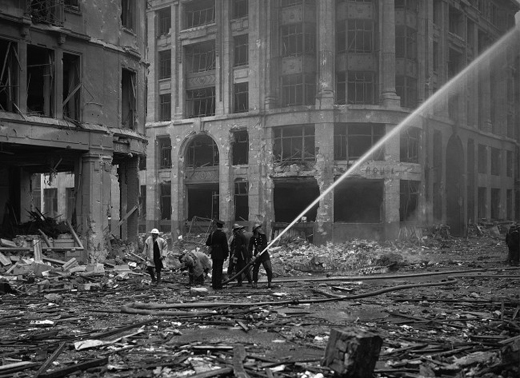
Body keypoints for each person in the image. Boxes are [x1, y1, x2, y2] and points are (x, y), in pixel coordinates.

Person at [205, 220, 229, 290]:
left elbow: (208, 243)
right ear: (222, 226)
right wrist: (226, 255)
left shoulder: (212, 233)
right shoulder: (223, 234)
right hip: (221, 253)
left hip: (214, 253)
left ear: (216, 226)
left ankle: (214, 284)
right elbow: (225, 246)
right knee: (219, 269)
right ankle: (218, 285)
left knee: (214, 269)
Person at [249, 223, 273, 289]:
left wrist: (260, 252)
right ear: (255, 230)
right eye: (258, 228)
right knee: (255, 269)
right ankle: (255, 283)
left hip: (264, 254)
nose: (260, 229)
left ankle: (269, 282)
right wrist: (251, 256)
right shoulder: (252, 238)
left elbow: (265, 245)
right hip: (257, 255)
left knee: (268, 268)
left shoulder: (263, 236)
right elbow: (250, 248)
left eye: (260, 228)